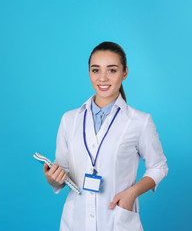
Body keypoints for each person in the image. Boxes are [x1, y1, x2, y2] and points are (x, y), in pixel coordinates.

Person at [43, 41, 168, 231]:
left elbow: (159, 167)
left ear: (124, 72)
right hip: (75, 222)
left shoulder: (140, 122)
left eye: (111, 70)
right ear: (89, 73)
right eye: (95, 70)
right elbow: (63, 172)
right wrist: (53, 178)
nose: (102, 78)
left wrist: (132, 193)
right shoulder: (69, 120)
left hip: (118, 221)